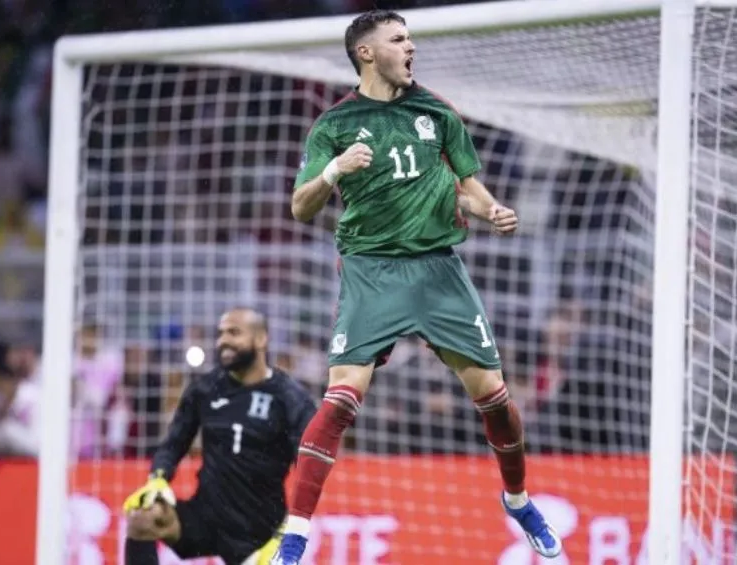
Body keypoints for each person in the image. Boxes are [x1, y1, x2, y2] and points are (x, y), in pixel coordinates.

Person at [271, 9, 562, 565]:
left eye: (410, 38)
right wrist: (333, 172)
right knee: (338, 402)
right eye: (399, 39)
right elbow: (299, 207)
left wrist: (491, 208)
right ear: (367, 52)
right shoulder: (334, 126)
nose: (411, 47)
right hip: (370, 271)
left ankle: (519, 500)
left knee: (495, 398)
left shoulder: (436, 110)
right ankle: (296, 535)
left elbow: (467, 187)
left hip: (437, 270)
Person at [123, 308, 317, 565]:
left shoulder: (291, 399)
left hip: (259, 527)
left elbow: (308, 475)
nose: (223, 340)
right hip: (205, 514)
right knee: (143, 519)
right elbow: (173, 444)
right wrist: (158, 478)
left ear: (260, 339)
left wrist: (285, 534)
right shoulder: (205, 388)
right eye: (221, 333)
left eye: (234, 332)